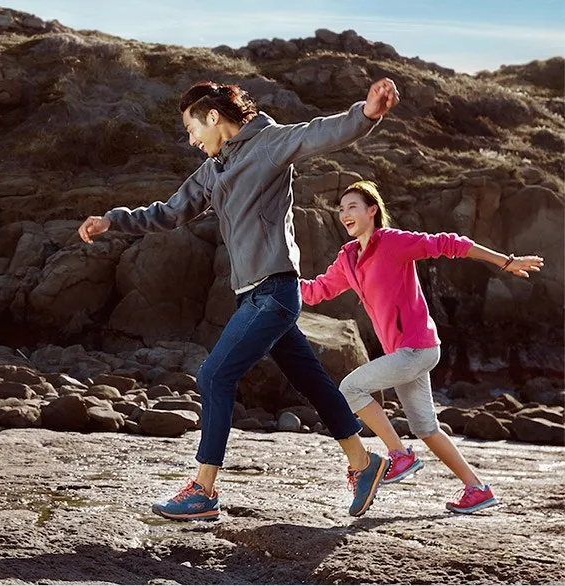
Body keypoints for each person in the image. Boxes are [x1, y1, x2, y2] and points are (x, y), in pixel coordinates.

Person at [78, 78, 401, 520]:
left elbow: (320, 133)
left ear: (213, 117)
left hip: (275, 290)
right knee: (312, 382)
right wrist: (113, 220)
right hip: (250, 295)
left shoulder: (269, 143)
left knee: (214, 376)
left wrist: (366, 114)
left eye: (192, 129)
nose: (191, 140)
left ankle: (203, 489)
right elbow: (169, 213)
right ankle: (364, 464)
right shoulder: (212, 171)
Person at [300, 180, 544, 514]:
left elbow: (450, 243)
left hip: (417, 347)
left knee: (350, 388)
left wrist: (505, 261)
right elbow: (317, 291)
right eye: (341, 209)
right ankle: (477, 489)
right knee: (426, 428)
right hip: (402, 353)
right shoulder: (349, 258)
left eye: (352, 206)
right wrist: (278, 282)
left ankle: (400, 454)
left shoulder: (393, 242)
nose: (345, 214)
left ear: (372, 211)